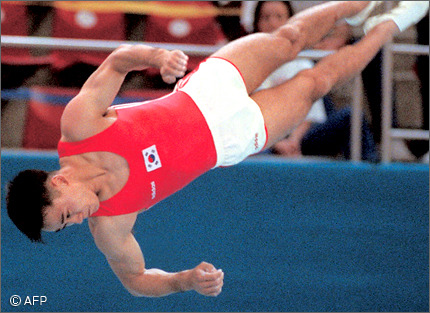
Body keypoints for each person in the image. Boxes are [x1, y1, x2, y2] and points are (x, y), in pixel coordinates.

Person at [6, 1, 429, 298]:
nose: (78, 221)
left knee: (289, 37)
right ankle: (391, 24)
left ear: (59, 181)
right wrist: (184, 280)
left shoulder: (78, 128)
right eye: (66, 226)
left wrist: (157, 55)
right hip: (230, 137)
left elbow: (115, 62)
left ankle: (364, 2)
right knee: (315, 83)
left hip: (206, 91)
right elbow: (135, 279)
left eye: (66, 214)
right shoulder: (110, 228)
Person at [253, 1, 378, 161]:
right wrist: (276, 144)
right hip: (261, 142)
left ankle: (370, 179)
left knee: (350, 117)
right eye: (266, 17)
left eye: (279, 17)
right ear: (257, 23)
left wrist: (293, 140)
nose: (273, 23)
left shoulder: (303, 60)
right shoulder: (249, 64)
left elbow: (311, 114)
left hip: (300, 138)